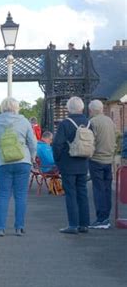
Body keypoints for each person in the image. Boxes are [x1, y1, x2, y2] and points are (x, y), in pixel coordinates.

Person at [0, 97, 37, 237]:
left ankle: (0, 228)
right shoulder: (24, 121)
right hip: (23, 161)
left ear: (2, 108)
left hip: (3, 161)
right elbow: (33, 142)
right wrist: (32, 156)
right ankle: (19, 227)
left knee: (3, 195)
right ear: (16, 107)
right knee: (21, 195)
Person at [53, 96, 90, 234]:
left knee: (71, 194)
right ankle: (84, 224)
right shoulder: (88, 123)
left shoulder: (65, 124)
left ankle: (73, 225)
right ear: (82, 108)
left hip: (68, 163)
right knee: (82, 193)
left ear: (69, 108)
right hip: (83, 162)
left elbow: (57, 144)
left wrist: (57, 160)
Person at [87, 100, 116, 229]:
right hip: (109, 159)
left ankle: (101, 219)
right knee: (107, 189)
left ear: (91, 110)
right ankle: (106, 217)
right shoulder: (110, 121)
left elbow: (90, 142)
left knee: (98, 189)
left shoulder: (92, 122)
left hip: (96, 159)